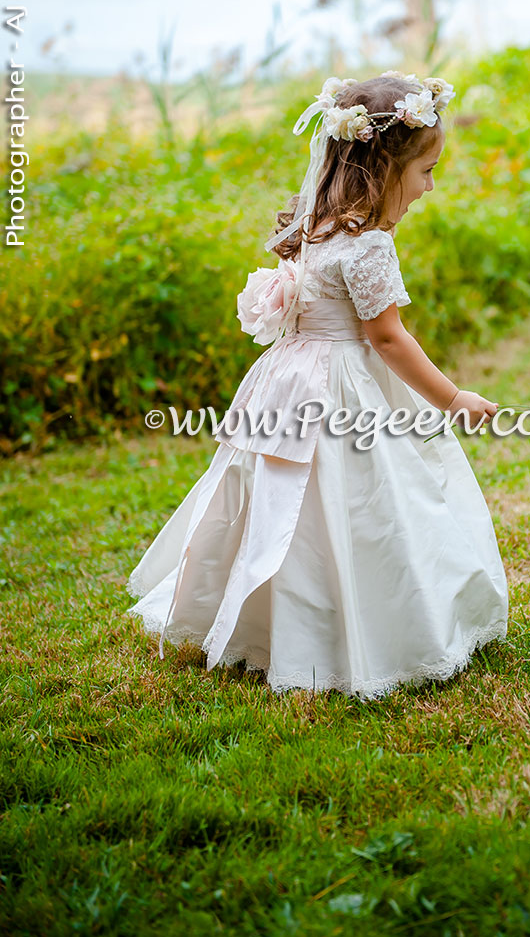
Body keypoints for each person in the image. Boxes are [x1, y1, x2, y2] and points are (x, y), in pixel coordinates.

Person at [126, 70, 509, 700]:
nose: (430, 186)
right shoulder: (369, 247)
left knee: (286, 502)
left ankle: (273, 624)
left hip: (286, 381)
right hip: (341, 389)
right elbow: (387, 339)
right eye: (425, 170)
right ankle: (355, 632)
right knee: (359, 501)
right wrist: (453, 398)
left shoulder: (314, 228)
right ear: (384, 167)